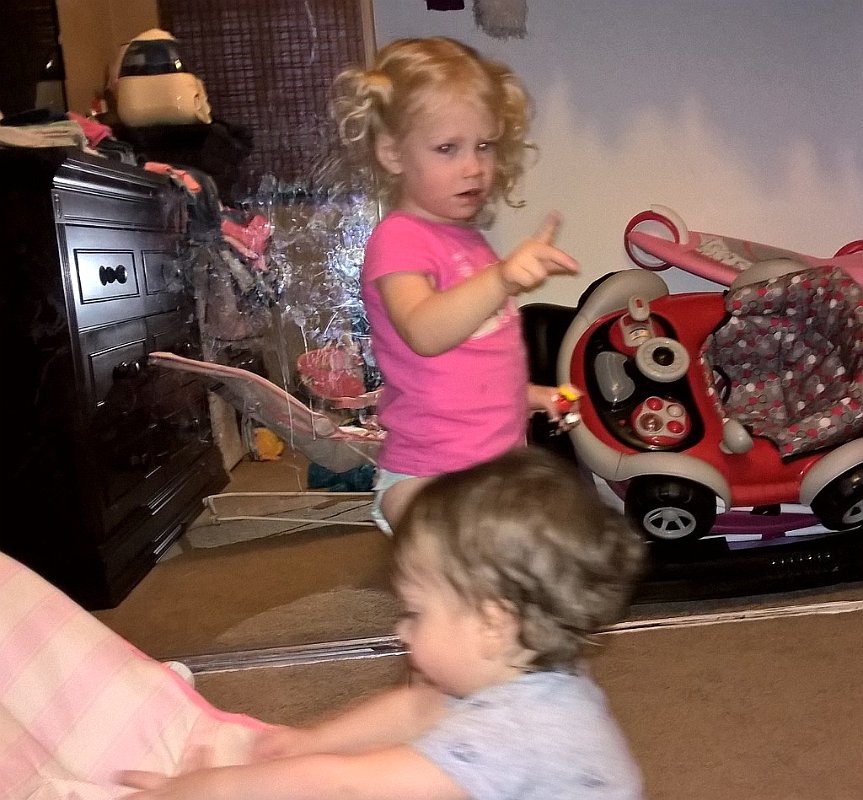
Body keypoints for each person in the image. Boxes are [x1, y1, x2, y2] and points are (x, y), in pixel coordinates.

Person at [120, 445, 646, 799]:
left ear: (492, 624)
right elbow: (417, 708)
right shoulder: (521, 672)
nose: (401, 631)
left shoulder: (518, 731)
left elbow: (347, 787)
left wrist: (212, 790)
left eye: (415, 612)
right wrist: (311, 741)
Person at [328, 36, 582, 534]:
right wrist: (502, 278)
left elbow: (470, 365)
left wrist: (533, 395)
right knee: (480, 566)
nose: (473, 167)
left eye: (484, 145)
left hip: (494, 464)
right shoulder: (399, 239)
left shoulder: (469, 242)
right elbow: (425, 332)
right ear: (393, 153)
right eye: (447, 148)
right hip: (434, 475)